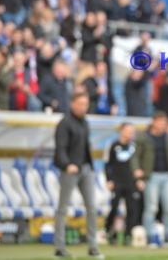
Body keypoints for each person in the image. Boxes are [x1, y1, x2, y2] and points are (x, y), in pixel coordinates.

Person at [53, 92, 104, 259]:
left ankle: (93, 246)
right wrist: (67, 165)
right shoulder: (64, 123)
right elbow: (60, 148)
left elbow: (85, 146)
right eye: (80, 103)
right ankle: (59, 248)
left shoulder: (85, 123)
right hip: (70, 170)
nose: (83, 107)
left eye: (85, 104)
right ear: (72, 104)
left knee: (91, 207)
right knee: (63, 208)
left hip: (85, 169)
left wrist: (90, 165)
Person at [130, 111, 168, 247]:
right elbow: (135, 155)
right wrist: (137, 170)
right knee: (151, 208)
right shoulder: (143, 137)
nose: (162, 125)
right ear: (154, 122)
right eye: (160, 122)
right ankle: (150, 237)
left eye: (164, 122)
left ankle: (167, 236)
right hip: (151, 175)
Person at [103, 122, 142, 245]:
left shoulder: (135, 146)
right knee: (114, 208)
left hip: (131, 182)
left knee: (132, 209)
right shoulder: (113, 145)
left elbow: (138, 166)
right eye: (128, 130)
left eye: (132, 131)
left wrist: (139, 179)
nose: (131, 133)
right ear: (122, 131)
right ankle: (110, 232)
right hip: (117, 182)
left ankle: (127, 235)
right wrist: (109, 179)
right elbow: (108, 164)